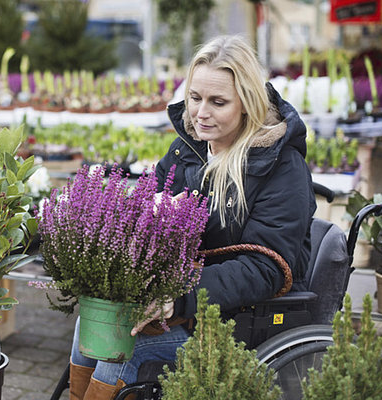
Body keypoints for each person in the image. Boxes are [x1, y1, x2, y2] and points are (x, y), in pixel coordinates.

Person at [68, 34, 316, 400]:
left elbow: (266, 268)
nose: (201, 113)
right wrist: (146, 214)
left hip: (238, 320)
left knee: (120, 350)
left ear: (247, 104)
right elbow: (147, 198)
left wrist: (179, 296)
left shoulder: (282, 167)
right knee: (92, 327)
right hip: (185, 308)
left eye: (218, 102)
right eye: (195, 98)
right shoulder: (191, 147)